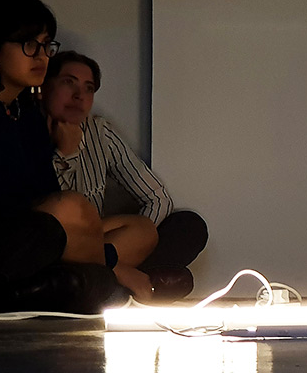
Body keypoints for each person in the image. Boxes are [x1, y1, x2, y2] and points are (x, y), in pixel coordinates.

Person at [0, 0, 175, 307]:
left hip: (47, 231)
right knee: (69, 213)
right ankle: (111, 275)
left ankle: (93, 277)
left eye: (46, 46)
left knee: (140, 228)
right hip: (2, 236)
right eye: (29, 44)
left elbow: (45, 189)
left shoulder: (24, 111)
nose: (41, 55)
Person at [43, 50, 208, 282]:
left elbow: (157, 197)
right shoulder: (27, 129)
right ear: (45, 87)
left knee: (188, 227)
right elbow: (48, 219)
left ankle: (119, 276)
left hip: (102, 242)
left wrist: (138, 242)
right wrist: (66, 153)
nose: (79, 95)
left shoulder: (100, 132)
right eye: (69, 83)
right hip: (53, 250)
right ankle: (128, 280)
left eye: (89, 88)